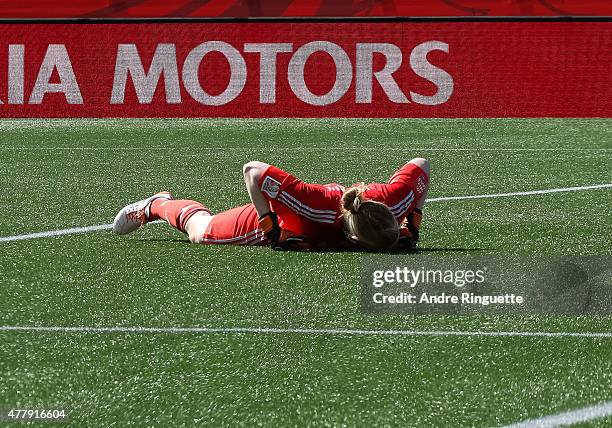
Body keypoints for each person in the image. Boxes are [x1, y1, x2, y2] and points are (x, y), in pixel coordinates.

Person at [112, 158, 430, 252]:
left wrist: (412, 223)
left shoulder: (395, 200)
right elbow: (253, 171)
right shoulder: (313, 205)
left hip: (309, 225)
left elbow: (422, 164)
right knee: (201, 231)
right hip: (276, 217)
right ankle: (156, 206)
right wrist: (271, 227)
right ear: (354, 238)